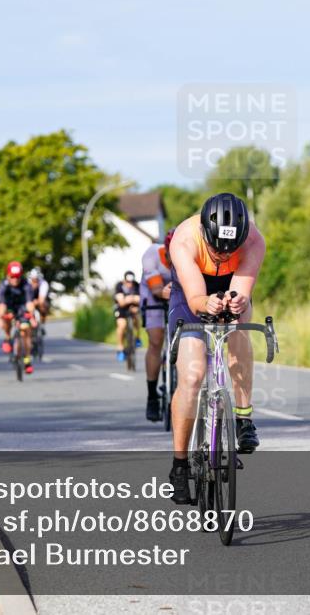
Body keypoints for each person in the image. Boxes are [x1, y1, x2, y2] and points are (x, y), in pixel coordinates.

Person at [166, 193, 265, 505]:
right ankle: (180, 466)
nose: (222, 256)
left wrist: (238, 301)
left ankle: (244, 418)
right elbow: (196, 298)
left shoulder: (253, 241)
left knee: (238, 326)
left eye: (230, 250)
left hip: (228, 287)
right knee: (193, 376)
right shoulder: (184, 240)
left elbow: (243, 290)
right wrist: (204, 302)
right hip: (190, 292)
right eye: (215, 249)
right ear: (205, 234)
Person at [141, 230, 174, 422]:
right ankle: (152, 396)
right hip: (152, 293)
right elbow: (155, 290)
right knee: (155, 340)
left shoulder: (188, 254)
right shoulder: (151, 254)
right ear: (166, 250)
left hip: (176, 292)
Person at [0, 261, 37, 374]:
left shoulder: (26, 284)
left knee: (26, 331)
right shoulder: (3, 285)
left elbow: (29, 303)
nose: (15, 280)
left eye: (17, 277)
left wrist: (32, 317)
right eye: (12, 277)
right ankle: (7, 338)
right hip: (9, 306)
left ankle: (27, 360)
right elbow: (1, 304)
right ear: (8, 275)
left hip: (21, 308)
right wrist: (1, 318)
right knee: (6, 318)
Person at [113, 271, 142, 362]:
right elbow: (121, 302)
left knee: (137, 319)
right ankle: (120, 346)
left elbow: (140, 299)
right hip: (121, 309)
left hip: (133, 307)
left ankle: (137, 338)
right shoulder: (119, 286)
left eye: (131, 282)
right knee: (122, 325)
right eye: (128, 282)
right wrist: (133, 299)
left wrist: (129, 300)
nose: (130, 284)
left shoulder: (136, 285)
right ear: (124, 280)